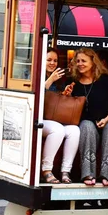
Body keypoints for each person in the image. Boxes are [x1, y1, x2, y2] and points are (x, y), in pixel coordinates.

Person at [64, 48, 108, 187]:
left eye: (83, 60)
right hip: (86, 123)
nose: (80, 64)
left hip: (107, 119)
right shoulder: (73, 81)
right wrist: (67, 95)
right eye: (77, 61)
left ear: (93, 62)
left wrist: (107, 119)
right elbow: (68, 107)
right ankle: (88, 174)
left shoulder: (106, 80)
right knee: (86, 126)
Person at [41, 48, 80, 184]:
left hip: (53, 118)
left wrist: (65, 94)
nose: (52, 63)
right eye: (49, 60)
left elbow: (55, 102)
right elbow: (36, 96)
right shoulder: (35, 74)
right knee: (58, 129)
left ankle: (65, 171)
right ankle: (46, 170)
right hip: (39, 118)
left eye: (55, 60)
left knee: (75, 130)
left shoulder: (58, 80)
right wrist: (50, 80)